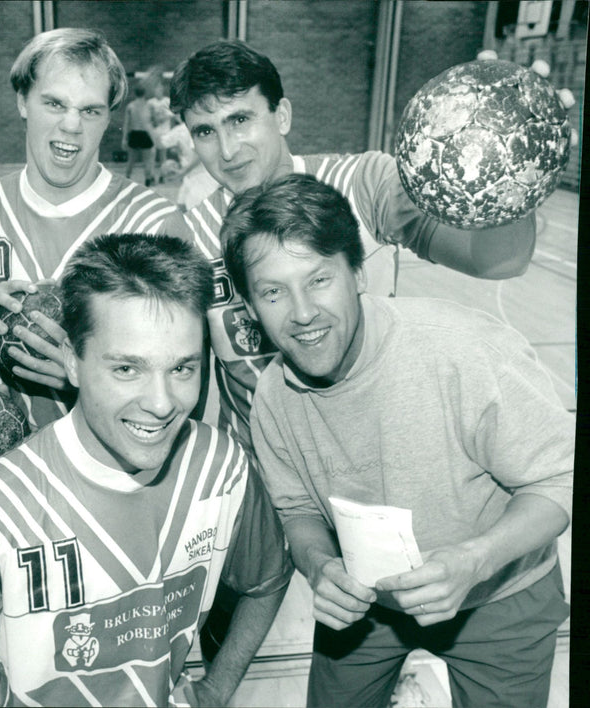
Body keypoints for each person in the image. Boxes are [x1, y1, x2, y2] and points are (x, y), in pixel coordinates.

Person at [0, 233, 293, 708]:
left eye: (182, 368)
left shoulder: (223, 468)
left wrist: (216, 689)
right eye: (127, 369)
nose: (162, 403)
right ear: (72, 362)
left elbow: (268, 579)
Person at [222, 173, 573, 708]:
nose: (302, 313)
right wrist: (320, 567)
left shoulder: (465, 352)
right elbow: (296, 511)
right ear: (249, 307)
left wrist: (475, 562)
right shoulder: (272, 396)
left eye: (319, 280)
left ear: (358, 273)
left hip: (502, 593)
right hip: (368, 609)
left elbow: (561, 478)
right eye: (273, 291)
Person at [169, 39, 543, 451]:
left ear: (283, 116)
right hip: (262, 473)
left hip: (380, 453)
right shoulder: (189, 236)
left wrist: (515, 174)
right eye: (205, 130)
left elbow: (495, 262)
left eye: (240, 119)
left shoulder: (363, 183)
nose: (227, 149)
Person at [0, 28, 190, 432]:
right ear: (23, 101)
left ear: (110, 117)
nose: (72, 124)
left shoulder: (155, 224)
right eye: (55, 103)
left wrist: (85, 378)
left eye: (90, 110)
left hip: (113, 475)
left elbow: (182, 384)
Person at [121, 82, 156, 185]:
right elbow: (153, 121)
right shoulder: (149, 106)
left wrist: (124, 139)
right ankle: (148, 179)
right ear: (144, 93)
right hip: (145, 134)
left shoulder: (130, 106)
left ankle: (127, 177)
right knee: (147, 160)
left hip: (134, 134)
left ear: (135, 93)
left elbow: (126, 124)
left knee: (131, 159)